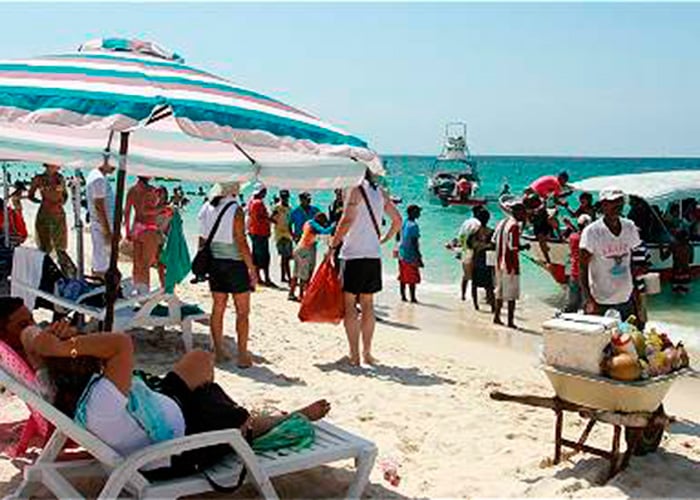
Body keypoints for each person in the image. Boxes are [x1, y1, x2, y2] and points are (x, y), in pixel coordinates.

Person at [0, 297, 331, 469]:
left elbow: (56, 360)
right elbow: (119, 344)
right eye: (25, 324)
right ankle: (274, 418)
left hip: (151, 411)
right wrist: (61, 345)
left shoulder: (57, 383)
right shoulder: (97, 398)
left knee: (200, 359)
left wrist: (51, 347)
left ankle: (222, 404)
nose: (39, 325)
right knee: (231, 416)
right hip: (179, 438)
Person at [330, 170, 402, 366]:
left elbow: (346, 221)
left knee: (350, 304)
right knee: (368, 304)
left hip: (353, 255)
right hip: (373, 256)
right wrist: (384, 240)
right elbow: (398, 220)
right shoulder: (380, 192)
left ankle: (354, 356)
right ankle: (367, 353)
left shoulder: (355, 189)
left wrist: (332, 245)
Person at [198, 182, 256, 367]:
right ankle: (242, 356)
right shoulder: (236, 209)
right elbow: (240, 240)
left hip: (215, 263)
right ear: (233, 189)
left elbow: (202, 239)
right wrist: (251, 267)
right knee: (243, 312)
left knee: (218, 307)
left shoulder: (207, 206)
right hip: (235, 264)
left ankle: (218, 353)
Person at [580, 188, 641, 320]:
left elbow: (632, 262)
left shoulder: (630, 227)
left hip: (626, 298)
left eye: (620, 202)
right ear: (603, 205)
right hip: (600, 300)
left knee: (628, 338)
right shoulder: (591, 232)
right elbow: (583, 268)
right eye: (612, 202)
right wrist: (588, 299)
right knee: (603, 340)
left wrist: (637, 297)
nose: (617, 206)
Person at [492, 201, 529, 328]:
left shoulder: (502, 223)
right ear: (518, 212)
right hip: (510, 264)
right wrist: (524, 246)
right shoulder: (514, 226)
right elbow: (513, 247)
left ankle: (497, 317)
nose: (525, 215)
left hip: (498, 261)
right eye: (524, 212)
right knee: (511, 294)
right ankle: (510, 322)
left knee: (500, 292)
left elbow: (494, 240)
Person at [124, 177, 161, 294]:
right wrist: (163, 209)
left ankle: (137, 289)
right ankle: (144, 293)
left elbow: (127, 212)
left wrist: (127, 231)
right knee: (146, 263)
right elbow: (148, 211)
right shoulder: (151, 190)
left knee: (137, 262)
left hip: (137, 227)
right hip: (149, 227)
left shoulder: (131, 190)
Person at [288, 212, 334, 302]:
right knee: (303, 274)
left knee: (296, 273)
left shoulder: (307, 223)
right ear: (318, 219)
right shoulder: (312, 224)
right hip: (305, 250)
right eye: (322, 221)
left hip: (300, 248)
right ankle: (301, 295)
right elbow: (325, 231)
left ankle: (291, 293)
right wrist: (335, 224)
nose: (323, 224)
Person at [28, 164, 68, 256]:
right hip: (45, 212)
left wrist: (61, 203)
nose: (59, 167)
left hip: (58, 212)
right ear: (48, 165)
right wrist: (42, 202)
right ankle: (46, 263)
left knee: (60, 244)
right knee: (44, 242)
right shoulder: (38, 178)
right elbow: (30, 195)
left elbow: (65, 195)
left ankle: (60, 264)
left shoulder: (60, 178)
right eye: (56, 165)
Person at [86, 159, 117, 278]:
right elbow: (99, 206)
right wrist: (107, 231)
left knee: (100, 258)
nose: (115, 167)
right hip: (102, 226)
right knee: (102, 262)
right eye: (113, 163)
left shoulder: (96, 175)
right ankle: (100, 286)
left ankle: (99, 282)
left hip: (100, 224)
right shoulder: (98, 178)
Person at [448, 206, 483, 301]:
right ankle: (476, 299)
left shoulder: (466, 222)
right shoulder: (478, 224)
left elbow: (461, 236)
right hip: (473, 250)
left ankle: (463, 295)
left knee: (466, 274)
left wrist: (461, 249)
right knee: (477, 274)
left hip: (465, 250)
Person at [247, 185, 275, 287]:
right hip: (260, 233)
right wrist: (271, 219)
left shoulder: (251, 202)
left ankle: (257, 277)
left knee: (256, 256)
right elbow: (261, 217)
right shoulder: (258, 203)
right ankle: (265, 278)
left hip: (254, 232)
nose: (265, 193)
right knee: (264, 257)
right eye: (264, 191)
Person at [565, 214, 591, 313]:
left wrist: (570, 226)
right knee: (586, 302)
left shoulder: (573, 237)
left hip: (574, 272)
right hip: (586, 273)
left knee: (572, 303)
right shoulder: (588, 239)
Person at [470, 208, 495, 312]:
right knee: (489, 285)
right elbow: (494, 247)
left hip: (476, 259)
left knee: (474, 284)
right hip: (488, 260)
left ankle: (476, 306)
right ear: (488, 219)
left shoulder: (474, 231)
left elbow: (470, 244)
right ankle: (493, 306)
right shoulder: (491, 231)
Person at [397, 205, 422, 303]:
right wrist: (418, 257)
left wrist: (398, 247)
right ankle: (413, 298)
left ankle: (403, 297)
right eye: (417, 212)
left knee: (402, 276)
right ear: (412, 212)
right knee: (412, 278)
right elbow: (414, 243)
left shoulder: (404, 222)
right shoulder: (414, 226)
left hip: (401, 253)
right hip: (410, 255)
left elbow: (398, 235)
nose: (419, 214)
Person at [270, 190, 293, 283]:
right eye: (283, 197)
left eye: (286, 197)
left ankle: (284, 277)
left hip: (288, 234)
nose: (285, 198)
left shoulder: (290, 208)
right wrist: (277, 224)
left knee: (287, 257)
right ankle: (286, 277)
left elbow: (290, 222)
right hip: (280, 235)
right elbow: (271, 218)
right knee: (285, 257)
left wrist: (292, 233)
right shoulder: (277, 207)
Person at [662, 229, 693, 294]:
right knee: (685, 294)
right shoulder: (690, 246)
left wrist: (660, 248)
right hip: (686, 274)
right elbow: (690, 261)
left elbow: (663, 258)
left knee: (675, 294)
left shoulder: (673, 245)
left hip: (676, 273)